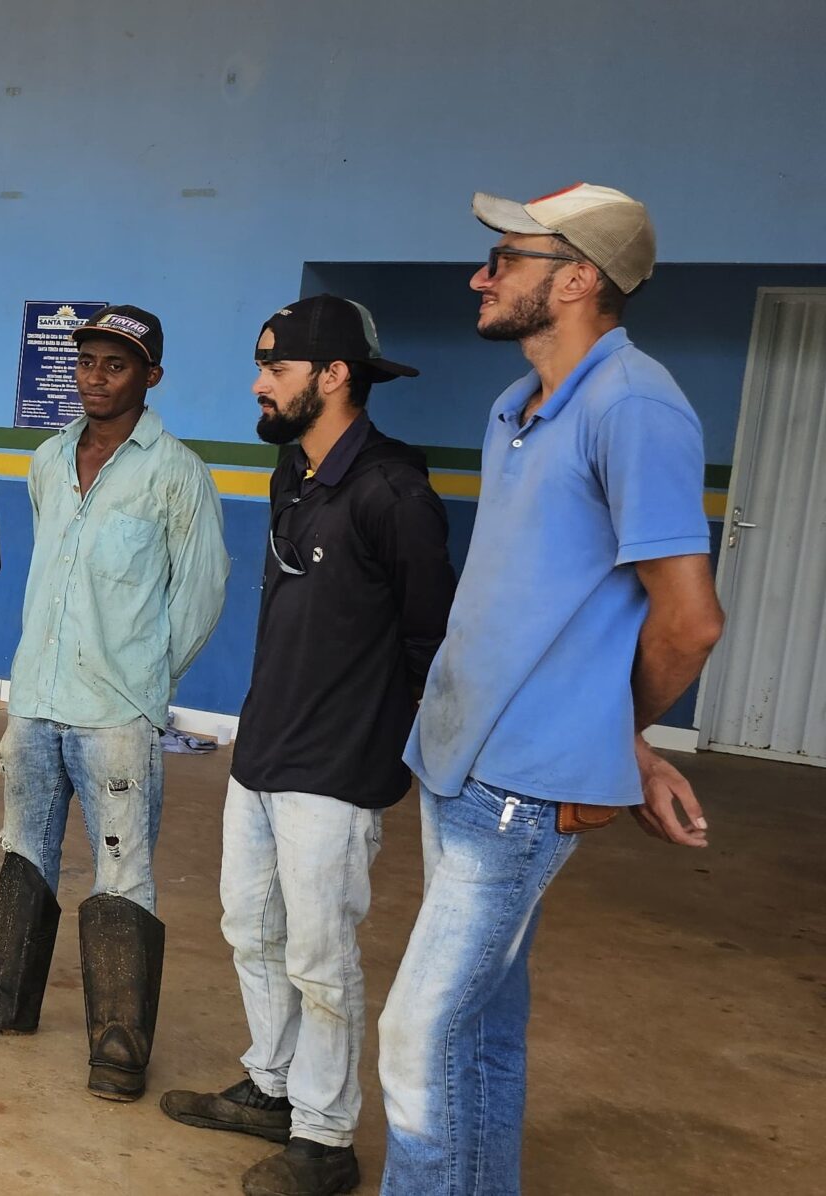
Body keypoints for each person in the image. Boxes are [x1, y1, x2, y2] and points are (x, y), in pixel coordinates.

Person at [380, 184, 724, 1194]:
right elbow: (560, 611)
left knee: (415, 1036)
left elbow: (690, 620)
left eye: (505, 260)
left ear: (575, 280)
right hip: (457, 759)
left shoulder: (635, 407)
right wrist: (630, 742)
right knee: (479, 1027)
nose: (479, 277)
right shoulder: (516, 407)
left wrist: (608, 735)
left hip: (520, 791)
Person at [158, 296, 454, 1196]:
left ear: (334, 376)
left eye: (275, 367)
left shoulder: (393, 493)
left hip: (337, 769)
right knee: (250, 929)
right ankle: (273, 1085)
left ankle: (325, 1140)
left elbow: (433, 640)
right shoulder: (295, 468)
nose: (259, 381)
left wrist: (394, 741)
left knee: (321, 958)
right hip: (264, 749)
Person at [0, 304, 229, 1104]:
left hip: (116, 713)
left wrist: (145, 685)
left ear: (151, 377)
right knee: (25, 846)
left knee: (123, 866)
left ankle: (119, 1041)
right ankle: (4, 998)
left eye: (115, 365)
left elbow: (201, 593)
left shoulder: (176, 473)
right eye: (86, 362)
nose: (95, 378)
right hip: (36, 695)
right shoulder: (49, 458)